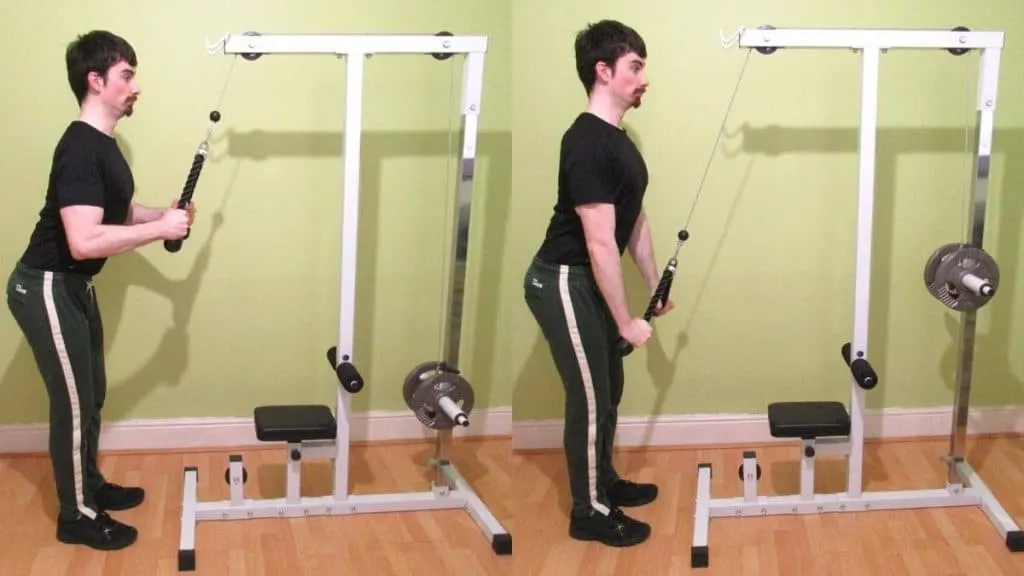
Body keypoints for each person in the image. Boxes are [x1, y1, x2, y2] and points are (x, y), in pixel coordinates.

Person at [4, 30, 194, 551]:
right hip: (44, 285)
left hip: (73, 286)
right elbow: (84, 240)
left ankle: (90, 486)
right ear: (96, 80)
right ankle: (77, 516)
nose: (136, 87)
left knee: (91, 396)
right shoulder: (80, 148)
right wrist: (160, 233)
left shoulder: (103, 147)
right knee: (71, 403)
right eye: (127, 75)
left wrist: (165, 215)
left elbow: (116, 213)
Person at [523, 20, 674, 548]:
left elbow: (634, 219)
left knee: (609, 388)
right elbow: (599, 243)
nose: (645, 78)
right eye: (636, 66)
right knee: (589, 397)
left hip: (589, 279)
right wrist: (626, 321)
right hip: (561, 279)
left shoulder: (619, 139)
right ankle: (588, 512)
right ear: (603, 71)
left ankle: (603, 483)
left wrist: (654, 285)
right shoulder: (585, 141)